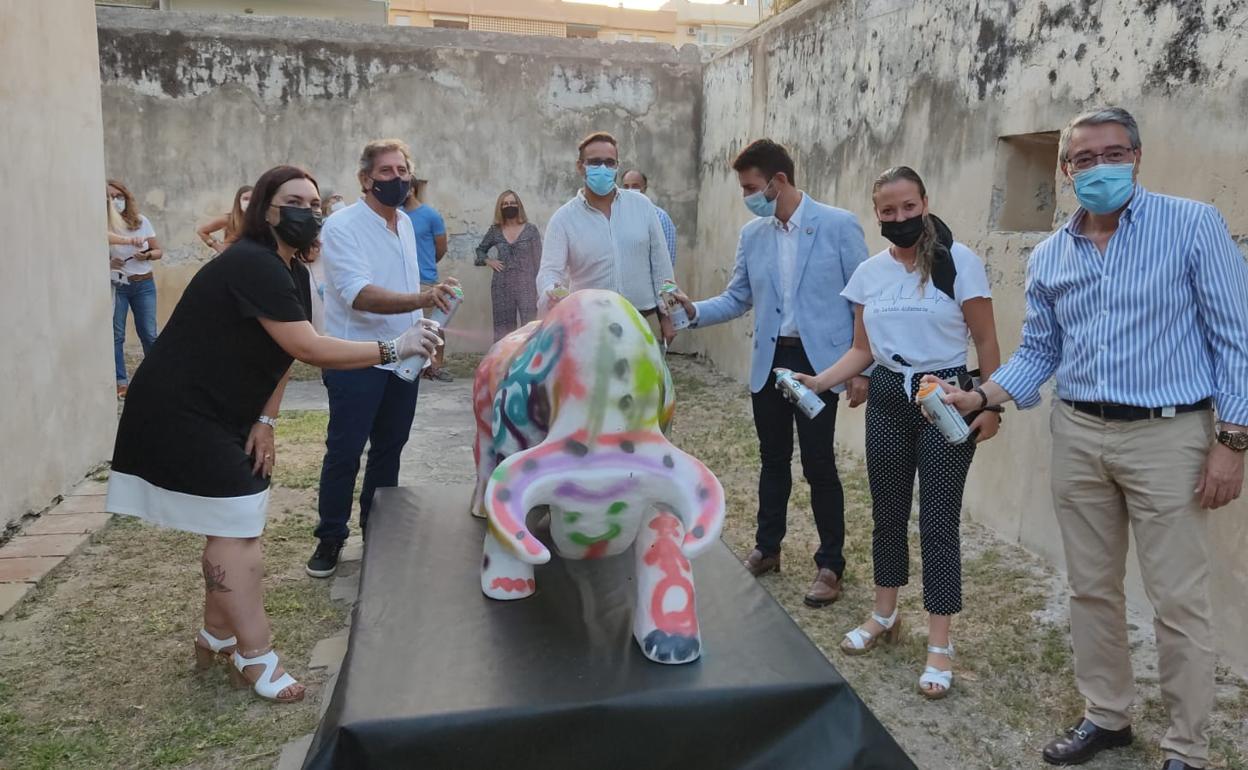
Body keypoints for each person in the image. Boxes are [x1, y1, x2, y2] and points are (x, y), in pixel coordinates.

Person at [935, 107, 1248, 770]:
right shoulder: (1052, 254)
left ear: (1137, 157)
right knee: (1091, 587)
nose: (1100, 167)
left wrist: (1233, 439)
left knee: (1177, 600)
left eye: (1114, 153)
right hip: (1078, 432)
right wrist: (983, 394)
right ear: (1065, 169)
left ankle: (1187, 748)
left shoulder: (1192, 226)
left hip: (1170, 436)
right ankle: (1107, 714)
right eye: (1084, 158)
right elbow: (1039, 352)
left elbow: (1236, 339)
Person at [105, 164, 440, 704]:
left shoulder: (292, 272)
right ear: (265, 210)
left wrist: (265, 421)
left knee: (234, 522)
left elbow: (286, 352)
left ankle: (216, 635)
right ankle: (254, 654)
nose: (307, 211)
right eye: (293, 201)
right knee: (238, 526)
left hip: (225, 412)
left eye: (314, 202)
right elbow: (309, 347)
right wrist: (391, 348)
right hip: (180, 411)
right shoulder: (252, 263)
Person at [792, 166, 1001, 699]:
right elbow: (863, 349)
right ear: (877, 213)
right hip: (887, 394)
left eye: (909, 207)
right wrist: (819, 380)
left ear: (925, 203)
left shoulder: (961, 265)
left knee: (937, 519)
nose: (900, 218)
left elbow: (987, 343)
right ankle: (885, 613)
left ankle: (940, 643)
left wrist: (993, 404)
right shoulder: (868, 273)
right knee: (886, 511)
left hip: (946, 397)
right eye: (889, 211)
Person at [672, 139, 870, 607]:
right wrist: (691, 311)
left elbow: (865, 301)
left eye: (751, 187)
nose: (747, 196)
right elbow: (738, 298)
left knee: (819, 463)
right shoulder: (754, 235)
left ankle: (830, 563)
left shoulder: (838, 226)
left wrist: (862, 368)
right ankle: (768, 546)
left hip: (820, 364)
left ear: (779, 181)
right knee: (772, 458)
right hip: (770, 362)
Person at [308, 140, 459, 578]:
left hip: (405, 360)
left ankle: (379, 531)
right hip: (356, 359)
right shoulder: (341, 227)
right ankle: (331, 537)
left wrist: (428, 337)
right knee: (345, 451)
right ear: (365, 179)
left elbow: (412, 299)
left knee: (390, 448)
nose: (397, 179)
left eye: (403, 170)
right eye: (387, 172)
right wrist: (423, 296)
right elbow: (359, 296)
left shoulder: (408, 225)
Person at [536, 131, 676, 344]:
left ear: (617, 166)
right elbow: (549, 271)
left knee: (642, 378)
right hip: (588, 329)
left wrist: (667, 318)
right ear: (580, 166)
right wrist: (552, 292)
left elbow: (661, 265)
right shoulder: (563, 219)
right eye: (595, 162)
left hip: (640, 323)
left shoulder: (642, 206)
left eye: (609, 162)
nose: (603, 168)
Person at [107, 179, 162, 398]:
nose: (115, 201)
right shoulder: (105, 225)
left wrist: (146, 254)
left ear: (126, 197)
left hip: (143, 283)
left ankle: (156, 377)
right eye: (110, 197)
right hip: (118, 284)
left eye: (118, 196)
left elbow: (158, 251)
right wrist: (110, 263)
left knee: (148, 333)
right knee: (116, 335)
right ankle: (121, 382)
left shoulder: (141, 221)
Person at [403, 178, 453, 382]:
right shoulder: (395, 216)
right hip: (402, 281)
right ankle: (410, 365)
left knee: (434, 325)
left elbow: (440, 248)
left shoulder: (431, 215)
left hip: (426, 280)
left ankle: (436, 365)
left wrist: (425, 264)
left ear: (412, 189)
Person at [475, 190, 542, 341]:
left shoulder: (531, 230)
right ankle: (503, 363)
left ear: (519, 205)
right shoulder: (495, 231)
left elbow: (539, 260)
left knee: (531, 329)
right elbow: (480, 250)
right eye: (505, 204)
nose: (509, 206)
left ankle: (528, 362)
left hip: (527, 286)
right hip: (502, 287)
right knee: (503, 331)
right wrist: (488, 261)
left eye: (512, 203)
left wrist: (540, 288)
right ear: (500, 207)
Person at [621, 169, 677, 265]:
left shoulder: (661, 218)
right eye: (626, 187)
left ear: (644, 188)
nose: (630, 190)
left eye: (635, 186)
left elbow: (667, 260)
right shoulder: (616, 217)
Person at [197, 185, 253, 253]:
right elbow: (201, 231)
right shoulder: (228, 219)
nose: (249, 202)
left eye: (252, 199)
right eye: (245, 199)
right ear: (238, 201)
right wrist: (216, 246)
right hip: (232, 258)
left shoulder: (258, 220)